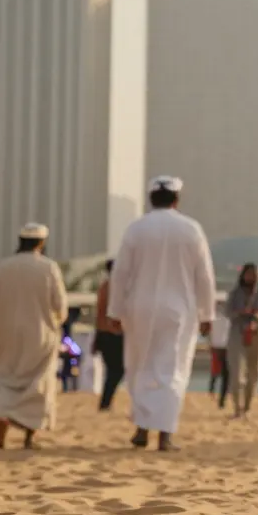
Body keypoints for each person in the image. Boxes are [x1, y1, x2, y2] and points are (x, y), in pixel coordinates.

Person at [107, 176, 216, 452]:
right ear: (176, 200)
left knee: (140, 365)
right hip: (178, 309)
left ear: (150, 198)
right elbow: (204, 276)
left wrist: (114, 310)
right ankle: (164, 434)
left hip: (139, 306)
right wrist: (207, 313)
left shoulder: (136, 229)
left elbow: (120, 274)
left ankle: (142, 429)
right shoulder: (191, 229)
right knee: (173, 367)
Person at [0, 223, 69, 450]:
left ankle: (0, 435)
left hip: (5, 333)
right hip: (40, 334)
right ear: (41, 243)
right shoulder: (48, 268)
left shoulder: (3, 267)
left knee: (4, 380)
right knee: (38, 383)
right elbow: (60, 306)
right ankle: (29, 437)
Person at [226, 263, 258, 419]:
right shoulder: (235, 293)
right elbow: (228, 312)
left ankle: (247, 407)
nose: (251, 277)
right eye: (249, 273)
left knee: (254, 372)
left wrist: (257, 316)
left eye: (255, 274)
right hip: (238, 333)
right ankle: (237, 408)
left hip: (256, 333)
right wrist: (240, 313)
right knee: (237, 372)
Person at [95, 260, 126, 410]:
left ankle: (106, 402)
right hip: (115, 333)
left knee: (112, 370)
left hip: (104, 333)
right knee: (117, 370)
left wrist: (96, 338)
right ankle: (105, 402)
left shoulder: (104, 286)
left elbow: (98, 313)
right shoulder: (117, 287)